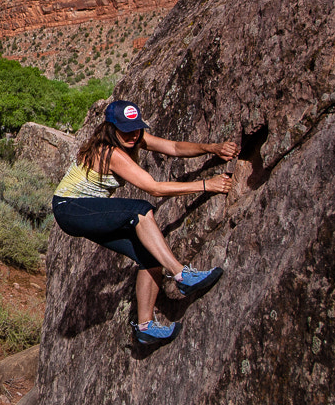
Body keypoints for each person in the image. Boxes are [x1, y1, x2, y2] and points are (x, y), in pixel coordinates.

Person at [52, 100, 238, 346]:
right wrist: (207, 185)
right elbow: (154, 189)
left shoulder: (134, 137)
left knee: (149, 256)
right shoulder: (110, 153)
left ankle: (145, 327)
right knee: (140, 210)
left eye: (136, 128)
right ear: (111, 129)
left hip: (84, 210)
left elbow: (172, 147)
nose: (132, 135)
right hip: (70, 208)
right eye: (125, 130)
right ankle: (182, 275)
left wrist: (211, 147)